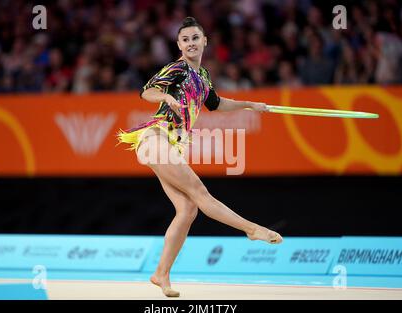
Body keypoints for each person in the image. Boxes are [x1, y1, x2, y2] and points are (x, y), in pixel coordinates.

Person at [117, 17, 283, 298]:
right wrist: (166, 98)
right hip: (156, 136)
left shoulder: (203, 76)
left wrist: (250, 105)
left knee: (187, 210)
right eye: (185, 40)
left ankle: (161, 274)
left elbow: (216, 104)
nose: (191, 43)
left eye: (195, 38)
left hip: (171, 144)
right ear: (179, 45)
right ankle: (252, 229)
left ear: (204, 41)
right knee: (200, 193)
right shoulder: (177, 69)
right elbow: (147, 91)